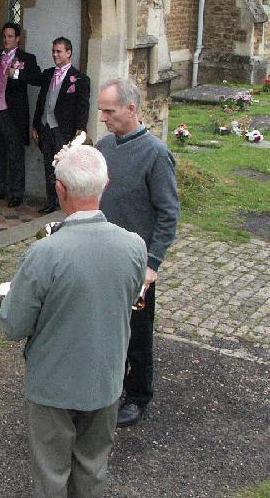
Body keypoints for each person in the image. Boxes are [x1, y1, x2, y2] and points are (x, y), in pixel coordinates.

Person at [0, 144, 147, 497]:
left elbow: (12, 326)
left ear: (60, 190)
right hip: (106, 378)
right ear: (105, 184)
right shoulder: (134, 246)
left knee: (51, 473)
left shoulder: (44, 253)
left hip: (53, 383)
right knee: (93, 467)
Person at [96, 78, 180, 427]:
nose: (103, 117)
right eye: (101, 111)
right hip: (103, 255)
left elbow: (168, 212)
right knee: (105, 328)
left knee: (137, 332)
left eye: (109, 111)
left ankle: (139, 395)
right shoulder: (103, 147)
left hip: (136, 263)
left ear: (132, 109)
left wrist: (153, 263)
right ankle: (107, 387)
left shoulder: (156, 154)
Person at [0, 22, 41, 208]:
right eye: (4, 36)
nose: (6, 40)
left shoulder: (27, 58)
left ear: (17, 38)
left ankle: (16, 193)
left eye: (10, 37)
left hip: (13, 114)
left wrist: (16, 73)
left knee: (15, 154)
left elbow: (36, 78)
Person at [33, 37, 90, 214]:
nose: (55, 54)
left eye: (59, 51)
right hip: (45, 126)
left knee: (64, 167)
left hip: (64, 130)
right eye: (53, 51)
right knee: (49, 165)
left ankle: (64, 204)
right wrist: (36, 124)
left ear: (68, 53)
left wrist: (80, 132)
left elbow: (83, 107)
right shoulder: (49, 73)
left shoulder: (80, 78)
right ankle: (51, 202)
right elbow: (41, 100)